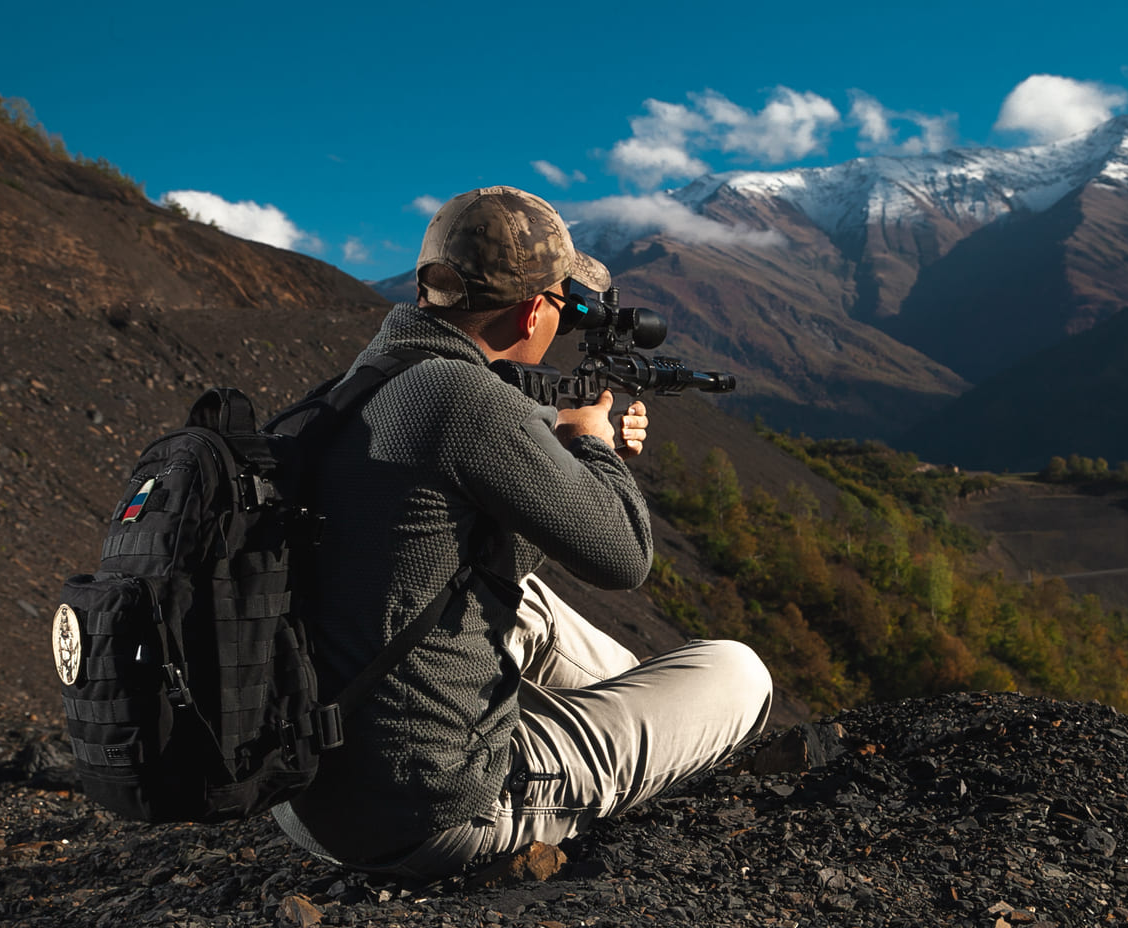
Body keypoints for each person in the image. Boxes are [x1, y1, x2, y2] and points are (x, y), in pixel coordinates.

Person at [272, 186, 772, 882]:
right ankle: (642, 742)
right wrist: (594, 447)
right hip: (435, 808)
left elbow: (467, 544)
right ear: (534, 307)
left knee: (523, 598)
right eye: (562, 307)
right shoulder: (469, 403)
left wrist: (566, 454)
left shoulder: (362, 383)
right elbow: (624, 557)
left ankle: (637, 726)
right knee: (739, 671)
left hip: (313, 796)